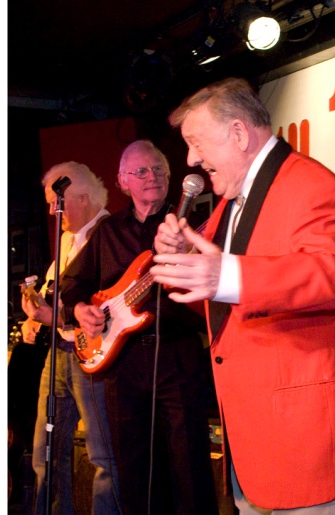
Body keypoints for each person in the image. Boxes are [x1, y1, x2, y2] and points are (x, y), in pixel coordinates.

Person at [149, 77, 335, 514]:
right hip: (257, 446)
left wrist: (225, 272)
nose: (191, 159)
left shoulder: (311, 184)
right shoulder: (230, 201)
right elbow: (229, 301)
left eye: (196, 142)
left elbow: (331, 275)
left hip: (309, 451)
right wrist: (184, 263)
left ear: (239, 133)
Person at [59, 140, 219, 515]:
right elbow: (71, 284)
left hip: (178, 357)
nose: (153, 177)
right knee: (133, 471)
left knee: (189, 466)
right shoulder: (108, 232)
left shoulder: (192, 227)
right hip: (124, 364)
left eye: (159, 170)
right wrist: (82, 309)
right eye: (142, 171)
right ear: (122, 181)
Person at [20, 161, 120, 514]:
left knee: (103, 455)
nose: (52, 211)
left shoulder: (111, 234)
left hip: (94, 356)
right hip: (60, 352)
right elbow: (54, 295)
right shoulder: (66, 240)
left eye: (55, 203)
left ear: (81, 197)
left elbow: (112, 303)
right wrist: (36, 316)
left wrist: (57, 316)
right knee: (46, 452)